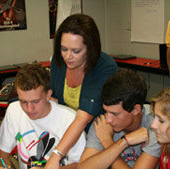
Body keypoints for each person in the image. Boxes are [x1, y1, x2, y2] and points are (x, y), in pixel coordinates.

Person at [46, 13, 118, 169]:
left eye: (76, 51)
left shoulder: (105, 67)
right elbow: (57, 99)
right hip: (67, 133)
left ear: (90, 48)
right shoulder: (58, 62)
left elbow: (83, 118)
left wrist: (56, 155)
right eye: (63, 49)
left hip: (96, 134)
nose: (68, 56)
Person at [0, 64, 86, 169]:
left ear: (48, 95)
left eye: (35, 101)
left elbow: (83, 166)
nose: (29, 109)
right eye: (23, 101)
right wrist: (4, 166)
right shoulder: (14, 110)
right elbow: (2, 155)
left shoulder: (70, 119)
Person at [78, 69, 161, 169]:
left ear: (135, 110)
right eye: (106, 111)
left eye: (115, 114)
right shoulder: (103, 124)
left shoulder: (156, 125)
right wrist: (123, 142)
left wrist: (108, 142)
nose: (108, 119)